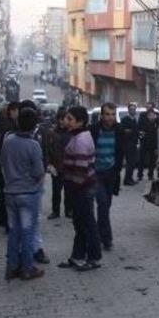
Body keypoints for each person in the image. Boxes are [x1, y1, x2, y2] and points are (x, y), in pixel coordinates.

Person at [0, 108, 45, 281]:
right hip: (28, 192)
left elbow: (3, 163)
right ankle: (27, 267)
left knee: (14, 231)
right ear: (35, 125)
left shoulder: (8, 141)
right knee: (27, 232)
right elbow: (38, 172)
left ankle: (11, 267)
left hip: (10, 192)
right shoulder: (33, 145)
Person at [58, 106, 101, 272]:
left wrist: (72, 189)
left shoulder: (81, 140)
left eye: (70, 119)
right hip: (78, 189)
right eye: (66, 118)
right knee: (80, 223)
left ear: (80, 122)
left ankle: (94, 258)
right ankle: (77, 257)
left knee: (87, 224)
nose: (66, 122)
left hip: (82, 189)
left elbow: (81, 171)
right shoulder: (77, 136)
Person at [90, 103, 124, 251]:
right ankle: (106, 239)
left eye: (112, 114)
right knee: (102, 205)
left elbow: (121, 151)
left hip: (111, 174)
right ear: (102, 115)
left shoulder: (119, 130)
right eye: (107, 114)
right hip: (96, 173)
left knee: (106, 207)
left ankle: (98, 235)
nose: (110, 117)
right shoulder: (94, 130)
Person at [0, 102, 19, 229]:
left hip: (1, 162)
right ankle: (7, 221)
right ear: (12, 111)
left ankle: (2, 219)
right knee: (8, 191)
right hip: (8, 163)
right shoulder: (10, 127)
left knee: (3, 190)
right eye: (18, 110)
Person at [47, 109, 72, 219]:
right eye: (60, 119)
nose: (62, 121)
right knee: (56, 191)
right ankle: (55, 211)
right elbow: (48, 149)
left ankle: (69, 210)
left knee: (68, 191)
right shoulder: (52, 133)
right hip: (56, 167)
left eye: (64, 119)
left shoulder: (71, 133)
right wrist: (49, 164)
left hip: (68, 167)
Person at [137, 102, 159, 181]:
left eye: (150, 107)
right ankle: (140, 175)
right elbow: (139, 126)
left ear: (153, 107)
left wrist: (155, 119)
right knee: (141, 159)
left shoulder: (156, 114)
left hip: (153, 140)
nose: (148, 109)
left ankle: (150, 175)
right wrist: (141, 136)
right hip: (144, 140)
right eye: (147, 107)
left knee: (152, 159)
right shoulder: (142, 115)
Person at [120, 102, 140, 186]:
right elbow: (123, 130)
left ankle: (130, 178)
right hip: (128, 144)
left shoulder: (134, 119)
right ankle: (127, 180)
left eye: (134, 109)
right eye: (131, 109)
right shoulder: (125, 119)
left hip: (134, 143)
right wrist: (129, 131)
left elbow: (136, 131)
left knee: (133, 162)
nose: (133, 111)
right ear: (128, 110)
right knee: (129, 162)